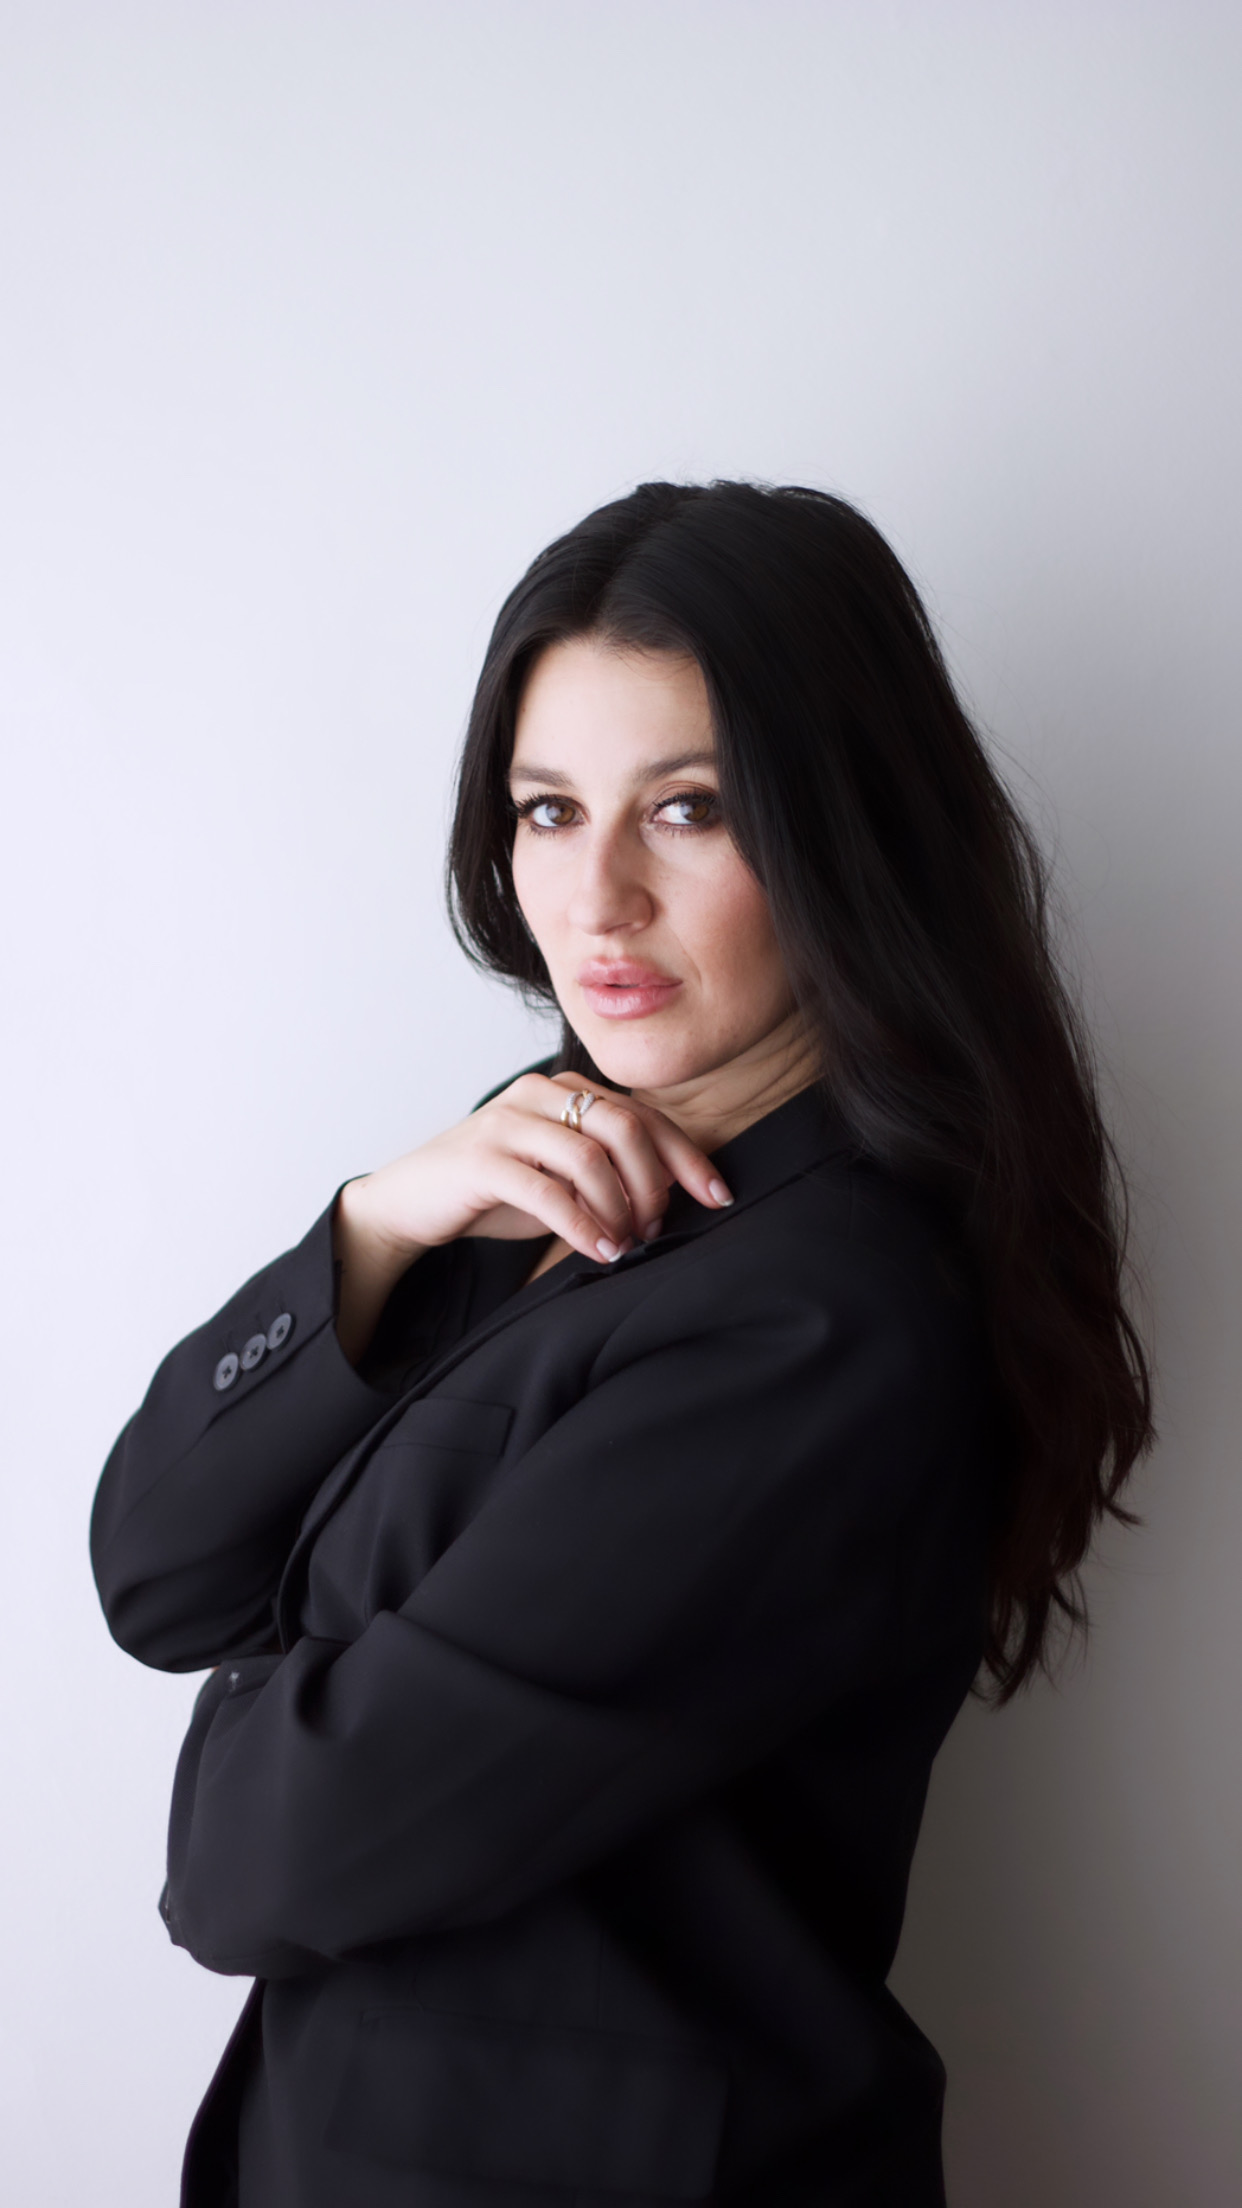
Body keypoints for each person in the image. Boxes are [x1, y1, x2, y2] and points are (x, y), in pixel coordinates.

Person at [91, 480, 1153, 2208]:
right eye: (545, 808)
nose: (595, 899)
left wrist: (255, 1727)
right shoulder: (550, 1169)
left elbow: (245, 1864)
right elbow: (154, 1571)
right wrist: (373, 1229)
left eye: (687, 809)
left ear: (838, 835)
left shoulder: (816, 1322)